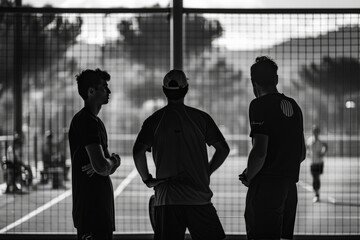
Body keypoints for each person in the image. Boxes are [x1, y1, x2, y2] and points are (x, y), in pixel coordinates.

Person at [133, 69, 230, 240]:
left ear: (164, 91)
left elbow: (138, 152)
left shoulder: (154, 120)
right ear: (186, 89)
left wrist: (147, 179)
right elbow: (223, 149)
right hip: (198, 199)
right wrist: (207, 170)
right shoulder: (201, 118)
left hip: (167, 200)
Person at [239, 56, 306, 240]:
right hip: (289, 190)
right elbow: (301, 154)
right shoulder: (294, 106)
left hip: (266, 188)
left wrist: (248, 176)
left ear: (254, 82)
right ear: (276, 79)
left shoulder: (259, 105)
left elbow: (260, 152)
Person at [68, 68, 121, 240]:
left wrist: (106, 164)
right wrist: (113, 161)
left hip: (99, 209)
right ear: (91, 91)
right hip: (91, 210)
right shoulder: (85, 122)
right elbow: (103, 166)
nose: (109, 91)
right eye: (104, 87)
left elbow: (103, 167)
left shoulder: (96, 122)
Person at [306, 125, 328, 203]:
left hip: (319, 163)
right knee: (315, 177)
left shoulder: (320, 142)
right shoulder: (310, 141)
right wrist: (308, 153)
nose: (315, 133)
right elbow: (307, 147)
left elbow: (326, 146)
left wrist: (322, 153)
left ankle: (317, 194)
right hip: (313, 163)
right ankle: (316, 192)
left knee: (316, 178)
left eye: (316, 132)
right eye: (314, 131)